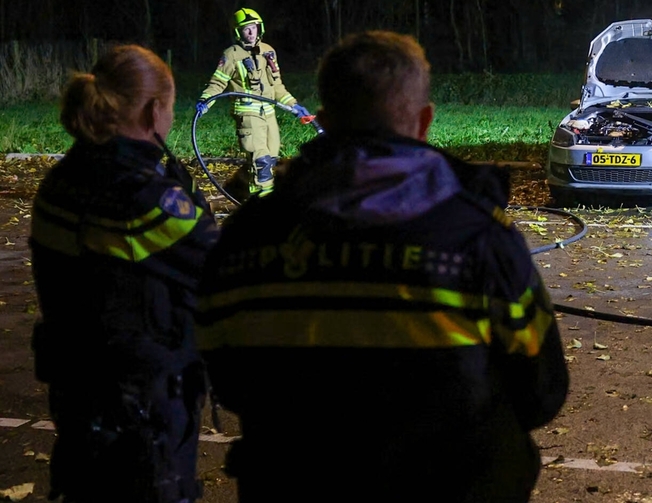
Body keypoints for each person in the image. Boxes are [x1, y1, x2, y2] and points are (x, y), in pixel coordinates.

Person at [196, 30, 569, 502]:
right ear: (425, 121)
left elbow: (226, 375)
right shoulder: (479, 236)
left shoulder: (248, 234)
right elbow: (541, 391)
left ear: (325, 121)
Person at [30, 44, 220, 503]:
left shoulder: (61, 180)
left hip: (78, 391)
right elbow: (221, 264)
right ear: (155, 109)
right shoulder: (142, 199)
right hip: (143, 408)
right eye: (171, 109)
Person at [196, 8, 310, 198]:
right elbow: (218, 83)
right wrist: (205, 101)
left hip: (269, 115)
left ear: (260, 28)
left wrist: (294, 105)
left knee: (270, 158)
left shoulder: (268, 52)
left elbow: (277, 86)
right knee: (262, 162)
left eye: (253, 28)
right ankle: (262, 206)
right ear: (238, 32)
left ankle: (239, 188)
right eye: (245, 29)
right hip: (248, 116)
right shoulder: (231, 55)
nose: (250, 32)